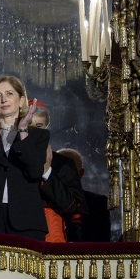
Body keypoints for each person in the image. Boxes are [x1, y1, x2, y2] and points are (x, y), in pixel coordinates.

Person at [0, 76, 49, 240]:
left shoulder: (38, 136)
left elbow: (34, 172)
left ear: (21, 100)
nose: (3, 99)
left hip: (26, 221)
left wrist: (23, 131)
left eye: (9, 93)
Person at [28, 101, 88, 242]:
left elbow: (70, 208)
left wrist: (47, 171)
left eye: (39, 126)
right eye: (29, 126)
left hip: (52, 240)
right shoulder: (10, 160)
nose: (34, 131)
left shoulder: (63, 163)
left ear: (46, 127)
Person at [57, 148, 111, 242]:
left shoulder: (98, 204)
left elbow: (101, 243)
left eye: (69, 171)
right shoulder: (41, 202)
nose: (63, 176)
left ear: (81, 174)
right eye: (59, 170)